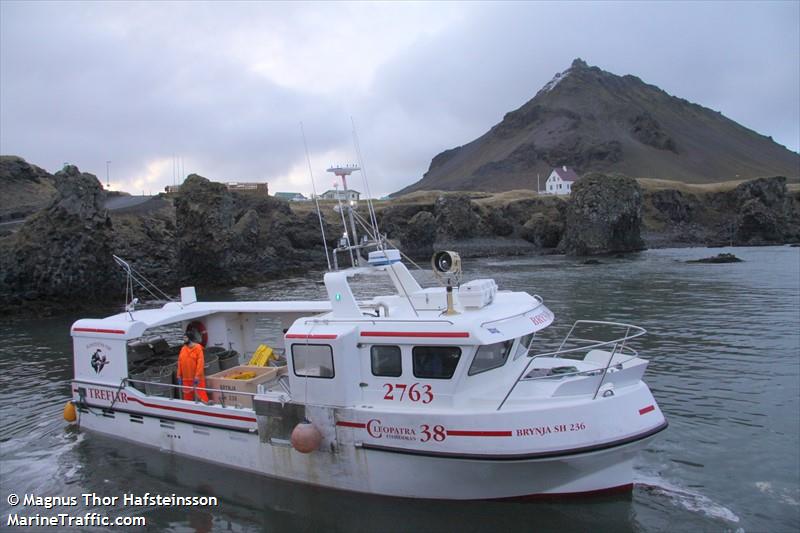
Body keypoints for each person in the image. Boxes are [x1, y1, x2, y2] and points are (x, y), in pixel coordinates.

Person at [176, 333, 209, 402]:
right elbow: (179, 362)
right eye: (183, 338)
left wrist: (197, 376)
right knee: (187, 398)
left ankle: (205, 407)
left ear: (190, 338)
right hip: (186, 379)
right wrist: (179, 375)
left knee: (202, 396)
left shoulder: (198, 348)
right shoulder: (183, 349)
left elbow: (200, 364)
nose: (184, 339)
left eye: (185, 338)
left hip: (197, 379)